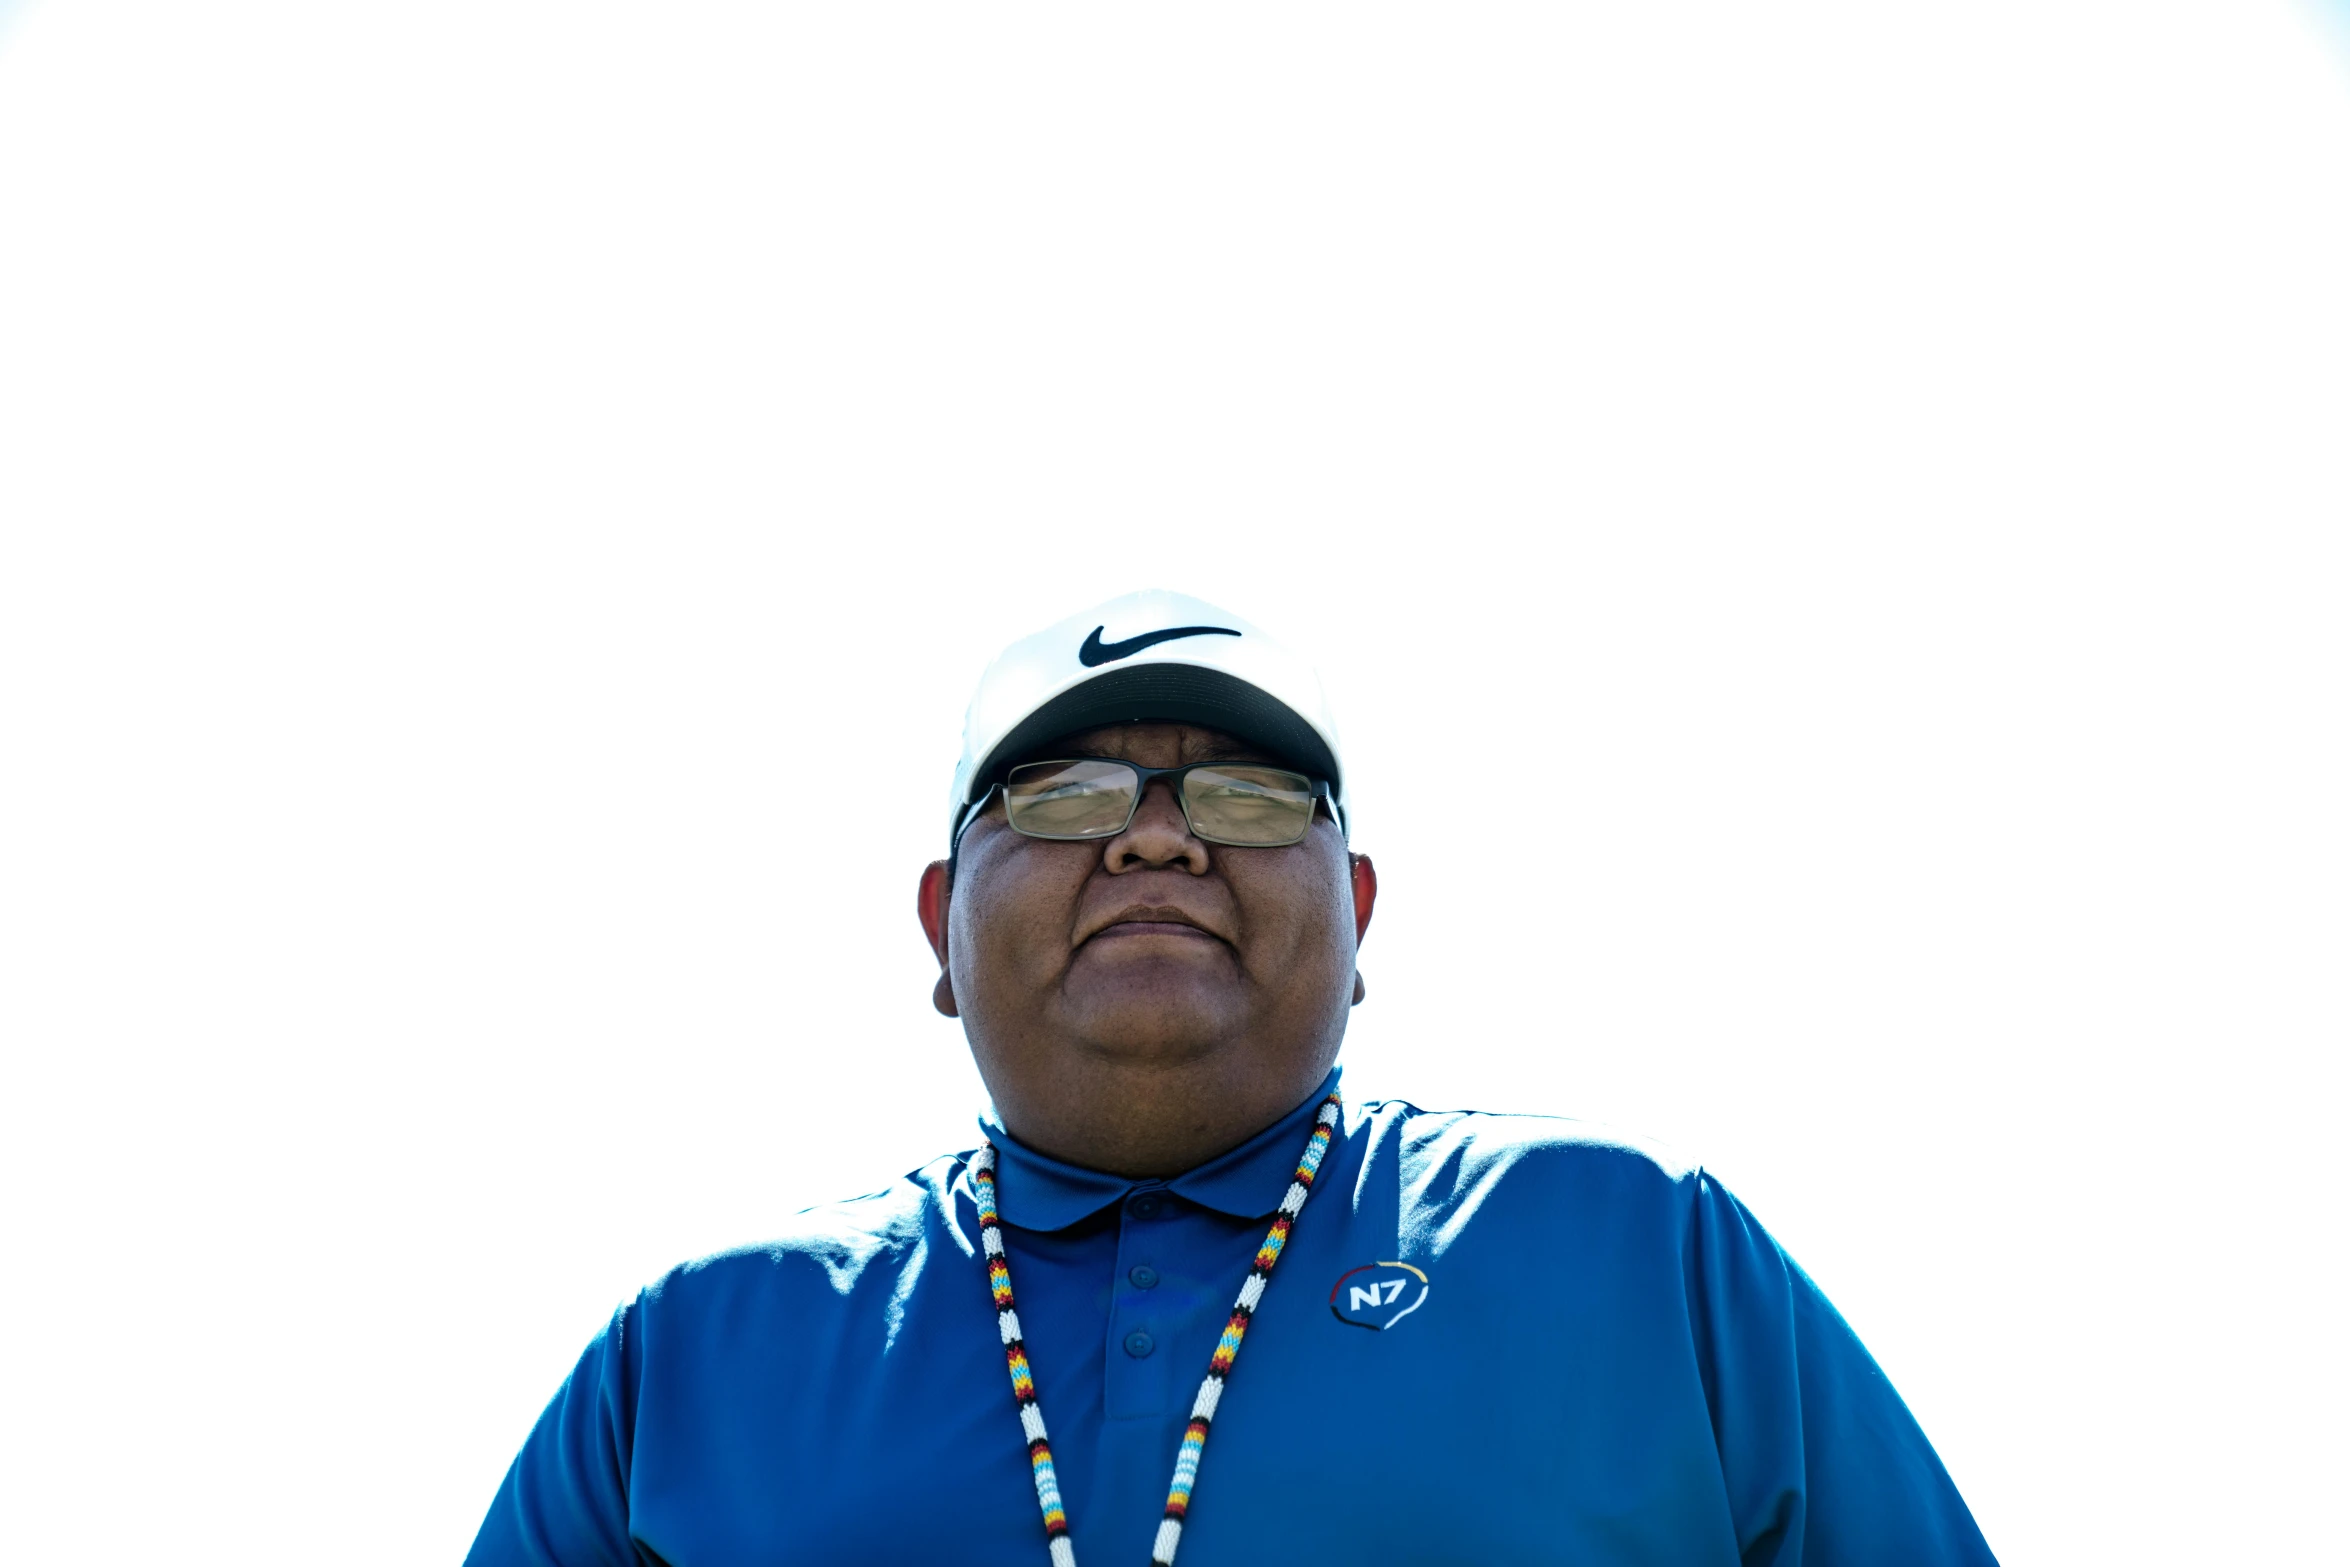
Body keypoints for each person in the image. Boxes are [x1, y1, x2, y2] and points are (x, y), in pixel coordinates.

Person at [466, 590, 1997, 1566]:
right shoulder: (699, 1357)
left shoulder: (1630, 1249)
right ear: (939, 929)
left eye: (1252, 795)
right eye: (1059, 791)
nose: (1155, 834)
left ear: (1360, 919)